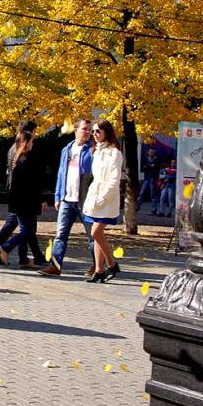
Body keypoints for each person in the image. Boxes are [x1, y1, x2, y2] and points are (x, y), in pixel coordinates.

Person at [0, 120, 45, 268]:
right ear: (30, 134)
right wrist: (39, 200)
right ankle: (5, 249)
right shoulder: (24, 155)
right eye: (34, 133)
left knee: (11, 225)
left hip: (15, 197)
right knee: (28, 230)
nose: (35, 138)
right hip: (24, 199)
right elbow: (31, 182)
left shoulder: (13, 149)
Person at [39, 119, 94, 277]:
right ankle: (55, 266)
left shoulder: (93, 150)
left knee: (93, 236)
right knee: (60, 235)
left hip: (85, 201)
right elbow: (61, 174)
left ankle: (99, 266)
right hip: (66, 200)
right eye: (85, 129)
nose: (88, 132)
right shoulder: (67, 149)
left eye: (89, 129)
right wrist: (57, 196)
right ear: (76, 130)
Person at [82, 118, 124, 283]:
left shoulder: (115, 153)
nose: (94, 134)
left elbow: (114, 180)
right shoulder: (96, 151)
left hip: (107, 198)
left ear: (107, 132)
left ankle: (112, 265)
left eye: (98, 131)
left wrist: (103, 198)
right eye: (93, 131)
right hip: (96, 196)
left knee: (96, 232)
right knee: (97, 235)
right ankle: (100, 270)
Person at [136, 148, 160, 215]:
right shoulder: (145, 159)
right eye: (150, 152)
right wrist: (150, 167)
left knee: (153, 195)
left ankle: (154, 210)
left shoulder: (157, 159)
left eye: (152, 152)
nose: (151, 153)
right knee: (141, 193)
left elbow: (156, 168)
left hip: (153, 178)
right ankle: (137, 207)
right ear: (148, 152)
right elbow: (143, 168)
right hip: (146, 178)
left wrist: (149, 167)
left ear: (154, 153)